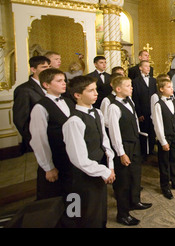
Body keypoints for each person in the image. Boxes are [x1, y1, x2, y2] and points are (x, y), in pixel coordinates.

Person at [62, 75, 115, 228]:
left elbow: (105, 142)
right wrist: (103, 171)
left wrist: (109, 165)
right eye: (91, 90)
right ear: (77, 95)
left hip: (99, 170)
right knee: (88, 215)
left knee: (100, 211)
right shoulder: (74, 121)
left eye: (96, 89)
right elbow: (78, 158)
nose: (96, 93)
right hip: (84, 176)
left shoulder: (97, 112)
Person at [108, 76, 152, 226]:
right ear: (118, 89)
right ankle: (123, 213)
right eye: (128, 86)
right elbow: (114, 132)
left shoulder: (130, 101)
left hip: (134, 143)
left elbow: (133, 122)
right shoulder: (114, 107)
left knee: (135, 175)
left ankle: (135, 201)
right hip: (124, 146)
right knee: (123, 181)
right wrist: (121, 152)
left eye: (131, 85)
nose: (131, 88)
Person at [29, 68, 75, 200]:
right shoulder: (40, 107)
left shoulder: (68, 101)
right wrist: (48, 167)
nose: (64, 83)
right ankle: (59, 221)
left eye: (64, 80)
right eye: (59, 81)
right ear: (46, 85)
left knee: (72, 194)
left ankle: (73, 217)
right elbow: (39, 140)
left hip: (70, 158)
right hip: (56, 158)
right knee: (54, 198)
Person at [153, 78, 175, 199]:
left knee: (174, 160)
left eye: (172, 87)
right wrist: (163, 141)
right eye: (168, 87)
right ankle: (165, 186)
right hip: (165, 138)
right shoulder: (158, 105)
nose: (172, 89)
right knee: (164, 163)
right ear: (161, 89)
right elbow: (158, 124)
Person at [13, 56, 50, 153]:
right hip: (38, 138)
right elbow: (20, 120)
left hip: (52, 136)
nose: (48, 70)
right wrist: (33, 140)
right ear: (33, 69)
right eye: (44, 67)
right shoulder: (23, 90)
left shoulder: (51, 85)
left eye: (49, 67)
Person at [132, 60, 157, 156]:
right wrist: (139, 113)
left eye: (149, 66)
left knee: (152, 130)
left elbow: (155, 96)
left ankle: (151, 149)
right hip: (142, 110)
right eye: (146, 66)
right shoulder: (135, 81)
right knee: (144, 130)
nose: (148, 68)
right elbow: (135, 98)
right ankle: (143, 151)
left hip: (152, 109)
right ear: (140, 68)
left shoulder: (153, 80)